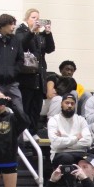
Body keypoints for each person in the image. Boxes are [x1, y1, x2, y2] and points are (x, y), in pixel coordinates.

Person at [15, 8, 55, 136]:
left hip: (39, 76)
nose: (36, 20)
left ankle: (33, 131)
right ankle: (24, 132)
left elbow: (50, 49)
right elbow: (21, 44)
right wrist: (31, 31)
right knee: (25, 105)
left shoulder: (40, 35)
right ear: (26, 19)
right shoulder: (21, 31)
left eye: (38, 18)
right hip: (27, 77)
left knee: (36, 107)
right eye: (33, 18)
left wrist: (48, 33)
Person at [47, 92, 91, 165]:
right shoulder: (54, 120)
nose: (70, 105)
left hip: (80, 152)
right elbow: (56, 143)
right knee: (67, 158)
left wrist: (63, 142)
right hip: (60, 153)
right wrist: (76, 138)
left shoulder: (81, 120)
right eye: (67, 103)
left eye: (72, 103)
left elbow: (88, 141)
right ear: (61, 104)